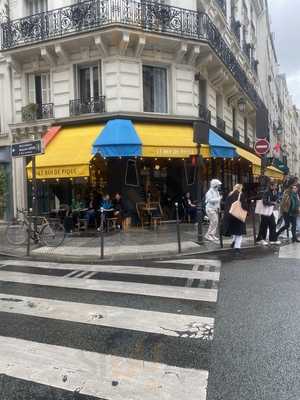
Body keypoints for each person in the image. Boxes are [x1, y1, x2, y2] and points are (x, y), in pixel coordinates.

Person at [223, 184, 247, 253]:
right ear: (240, 188)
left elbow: (226, 205)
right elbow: (244, 206)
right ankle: (237, 248)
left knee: (234, 231)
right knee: (239, 232)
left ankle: (233, 241)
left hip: (230, 215)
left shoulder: (230, 194)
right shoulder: (241, 195)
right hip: (238, 216)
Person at [256, 180, 281, 245]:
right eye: (275, 186)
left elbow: (274, 199)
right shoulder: (266, 192)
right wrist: (272, 203)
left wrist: (276, 196)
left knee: (272, 224)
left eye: (276, 186)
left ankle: (272, 239)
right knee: (264, 226)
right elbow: (264, 202)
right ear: (271, 186)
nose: (276, 187)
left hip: (269, 211)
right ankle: (261, 239)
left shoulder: (273, 192)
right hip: (265, 211)